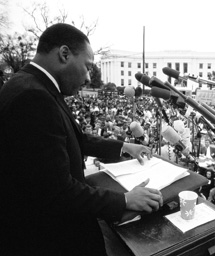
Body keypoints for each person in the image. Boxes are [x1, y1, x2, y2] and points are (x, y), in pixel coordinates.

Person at [0, 24, 163, 256]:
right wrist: (125, 200)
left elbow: (75, 137)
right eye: (87, 67)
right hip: (48, 240)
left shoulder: (33, 85)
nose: (88, 77)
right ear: (64, 54)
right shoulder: (33, 97)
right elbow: (56, 191)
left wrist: (124, 146)